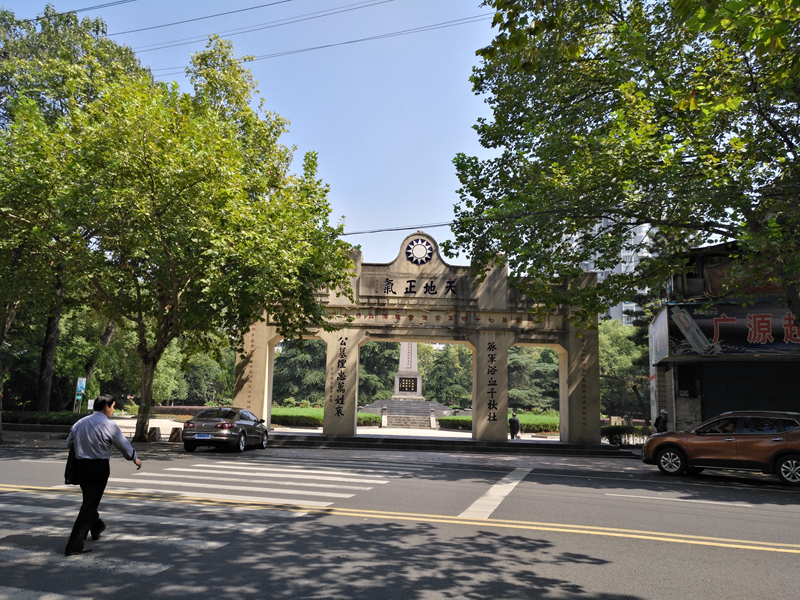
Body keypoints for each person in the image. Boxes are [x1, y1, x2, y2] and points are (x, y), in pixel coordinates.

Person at [64, 397, 142, 556]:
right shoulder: (109, 425)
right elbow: (122, 444)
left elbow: (68, 442)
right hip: (99, 468)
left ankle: (96, 525)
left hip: (81, 467)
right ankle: (75, 544)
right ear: (106, 406)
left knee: (89, 500)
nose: (113, 410)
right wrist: (134, 457)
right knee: (89, 505)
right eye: (113, 407)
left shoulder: (81, 422)